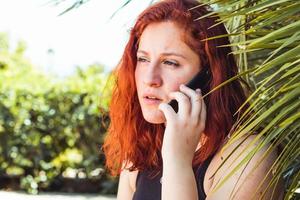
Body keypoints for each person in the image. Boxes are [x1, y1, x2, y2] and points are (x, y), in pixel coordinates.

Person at [102, 0, 283, 199]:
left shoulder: (248, 158)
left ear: (209, 75)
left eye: (170, 62)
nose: (149, 79)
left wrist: (177, 161)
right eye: (143, 59)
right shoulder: (142, 147)